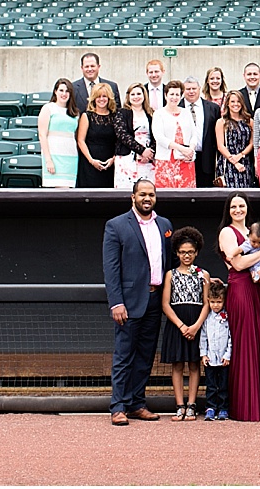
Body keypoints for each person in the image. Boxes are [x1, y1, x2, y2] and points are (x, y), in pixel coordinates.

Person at [103, 179, 176, 426]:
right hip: (129, 302)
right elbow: (111, 269)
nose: (147, 198)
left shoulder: (164, 225)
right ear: (133, 197)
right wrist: (116, 303)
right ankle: (118, 406)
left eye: (151, 194)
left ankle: (136, 403)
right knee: (124, 355)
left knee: (145, 355)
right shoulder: (116, 226)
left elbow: (169, 264)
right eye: (143, 194)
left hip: (156, 299)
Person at [217, 191, 260, 421]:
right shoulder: (227, 232)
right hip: (241, 290)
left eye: (241, 205)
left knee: (259, 342)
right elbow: (239, 263)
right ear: (228, 210)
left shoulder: (253, 230)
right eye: (233, 206)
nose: (237, 210)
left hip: (258, 291)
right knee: (245, 344)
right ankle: (245, 407)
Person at [160, 226, 210, 422]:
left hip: (196, 322)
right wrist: (181, 326)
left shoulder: (203, 274)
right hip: (177, 323)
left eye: (190, 252)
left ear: (196, 252)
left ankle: (192, 405)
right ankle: (179, 405)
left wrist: (196, 326)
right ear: (177, 253)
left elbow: (207, 302)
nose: (186, 255)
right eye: (182, 252)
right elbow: (165, 303)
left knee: (195, 364)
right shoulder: (170, 274)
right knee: (177, 364)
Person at [151, 80, 196, 189]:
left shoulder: (186, 113)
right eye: (172, 94)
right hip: (166, 160)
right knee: (166, 192)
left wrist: (190, 150)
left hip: (185, 159)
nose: (174, 97)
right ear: (166, 95)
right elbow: (159, 137)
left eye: (177, 94)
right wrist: (181, 148)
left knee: (187, 191)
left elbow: (194, 135)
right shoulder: (159, 114)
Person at [37, 77, 79, 188]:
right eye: (61, 90)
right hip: (54, 155)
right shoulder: (48, 108)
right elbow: (42, 134)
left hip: (70, 157)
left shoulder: (74, 112)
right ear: (55, 91)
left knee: (68, 191)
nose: (64, 94)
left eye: (67, 91)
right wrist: (48, 159)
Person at [113, 83, 156, 189]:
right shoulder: (121, 113)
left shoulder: (151, 113)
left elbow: (157, 135)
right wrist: (141, 151)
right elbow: (122, 134)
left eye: (138, 94)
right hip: (127, 158)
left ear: (144, 95)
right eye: (133, 94)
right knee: (126, 190)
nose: (136, 97)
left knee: (146, 190)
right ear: (128, 96)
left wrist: (150, 152)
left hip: (147, 159)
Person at [180, 76, 221, 188]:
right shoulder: (177, 108)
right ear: (183, 91)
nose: (191, 91)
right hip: (182, 158)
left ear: (199, 89)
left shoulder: (213, 108)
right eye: (188, 89)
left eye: (194, 88)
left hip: (206, 159)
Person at [200, 281, 232, 421]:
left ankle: (223, 408)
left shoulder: (228, 317)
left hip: (224, 359)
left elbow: (231, 336)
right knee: (211, 385)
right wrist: (204, 354)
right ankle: (211, 408)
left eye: (218, 301)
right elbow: (203, 336)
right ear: (208, 301)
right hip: (210, 358)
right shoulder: (207, 317)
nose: (216, 305)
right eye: (212, 302)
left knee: (224, 386)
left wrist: (228, 355)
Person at [76, 82, 118, 188]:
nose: (101, 99)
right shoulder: (87, 116)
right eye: (98, 96)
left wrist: (113, 159)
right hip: (89, 165)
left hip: (110, 165)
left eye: (104, 96)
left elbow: (119, 141)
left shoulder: (116, 117)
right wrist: (91, 161)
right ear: (94, 98)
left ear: (109, 98)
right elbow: (81, 140)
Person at [214, 89, 255, 188]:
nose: (235, 104)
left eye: (238, 101)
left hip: (245, 161)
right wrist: (234, 161)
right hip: (227, 162)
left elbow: (252, 143)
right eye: (232, 101)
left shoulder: (249, 121)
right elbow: (220, 146)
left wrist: (241, 155)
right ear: (227, 103)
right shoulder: (221, 122)